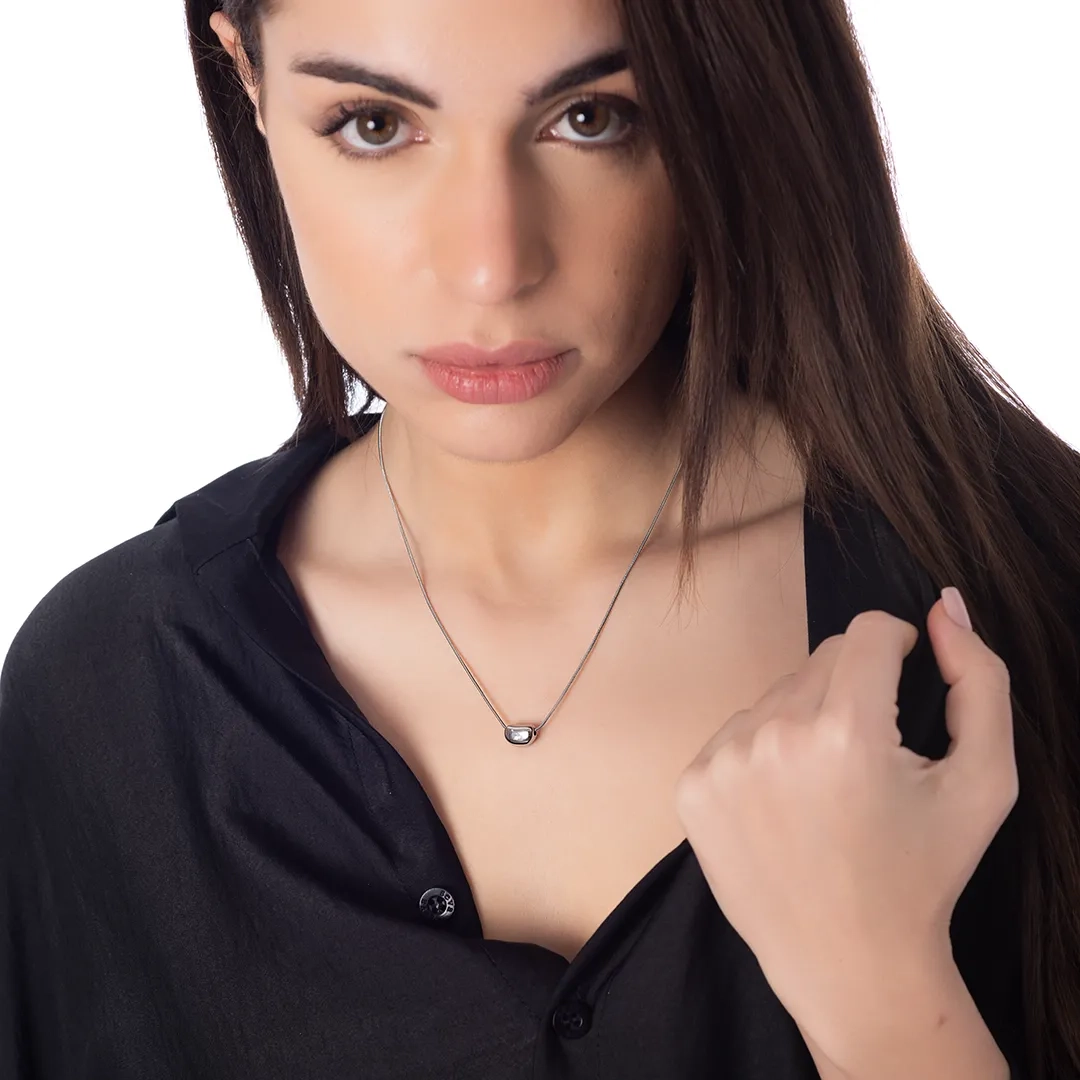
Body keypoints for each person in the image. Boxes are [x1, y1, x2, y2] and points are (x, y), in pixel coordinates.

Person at [2, 0, 1078, 1077]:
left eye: (591, 117)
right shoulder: (106, 701)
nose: (492, 267)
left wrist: (885, 999)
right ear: (247, 74)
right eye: (375, 124)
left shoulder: (1039, 591)